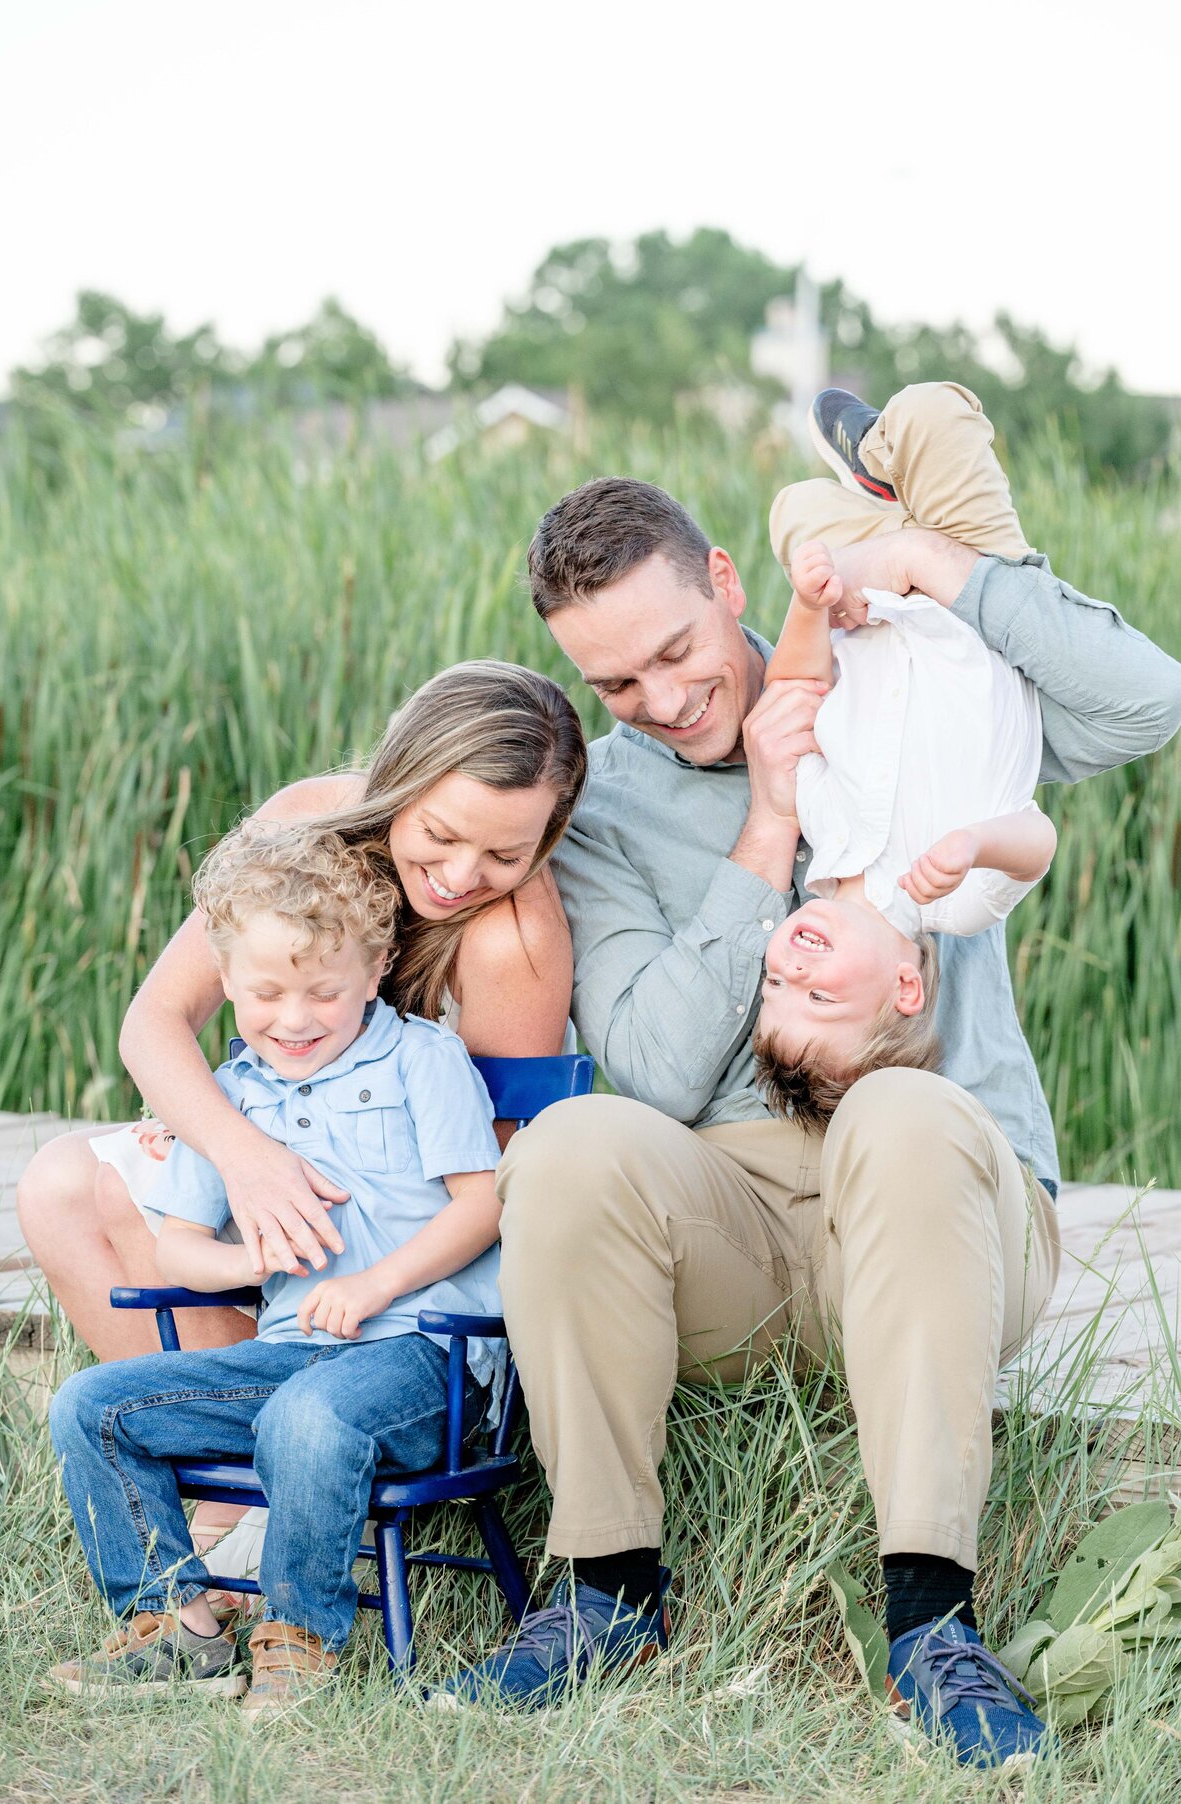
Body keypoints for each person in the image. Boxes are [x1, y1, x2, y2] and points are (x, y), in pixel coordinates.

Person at [434, 383, 1181, 1768]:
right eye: (619, 686)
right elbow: (654, 1071)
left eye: (676, 651)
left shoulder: (898, 673)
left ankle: (931, 1625)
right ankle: (606, 1593)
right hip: (731, 1223)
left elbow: (1150, 705)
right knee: (574, 1146)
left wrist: (936, 567)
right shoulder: (607, 807)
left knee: (898, 1109)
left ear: (726, 580)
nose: (663, 703)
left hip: (942, 1199)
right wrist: (768, 820)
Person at [48, 818, 504, 1720]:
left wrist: (372, 1287)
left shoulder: (422, 1058)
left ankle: (301, 1641)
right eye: (263, 995)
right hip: (294, 1353)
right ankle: (176, 1628)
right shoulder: (232, 1096)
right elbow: (178, 1244)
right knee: (92, 1407)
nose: (293, 1020)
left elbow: (484, 1204)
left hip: (427, 1360)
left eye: (323, 994)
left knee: (308, 1415)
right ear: (224, 983)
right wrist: (244, 1257)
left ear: (374, 974)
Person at [18, 660, 586, 1365]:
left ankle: (287, 1407)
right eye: (440, 835)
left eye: (506, 853)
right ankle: (210, 1431)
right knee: (59, 1184)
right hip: (276, 1141)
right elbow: (154, 1018)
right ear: (397, 782)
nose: (462, 876)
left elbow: (481, 1176)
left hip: (390, 1226)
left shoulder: (511, 939)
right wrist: (233, 1143)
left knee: (122, 1197)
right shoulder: (305, 824)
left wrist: (281, 1154)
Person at [752, 519, 1057, 1124]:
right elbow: (1040, 840)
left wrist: (808, 607)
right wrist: (975, 845)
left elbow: (796, 687)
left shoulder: (819, 826)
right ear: (905, 988)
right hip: (963, 584)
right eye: (818, 995)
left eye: (775, 989)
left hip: (871, 587)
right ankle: (881, 450)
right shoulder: (952, 904)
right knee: (934, 431)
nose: (791, 970)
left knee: (794, 512)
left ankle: (865, 464)